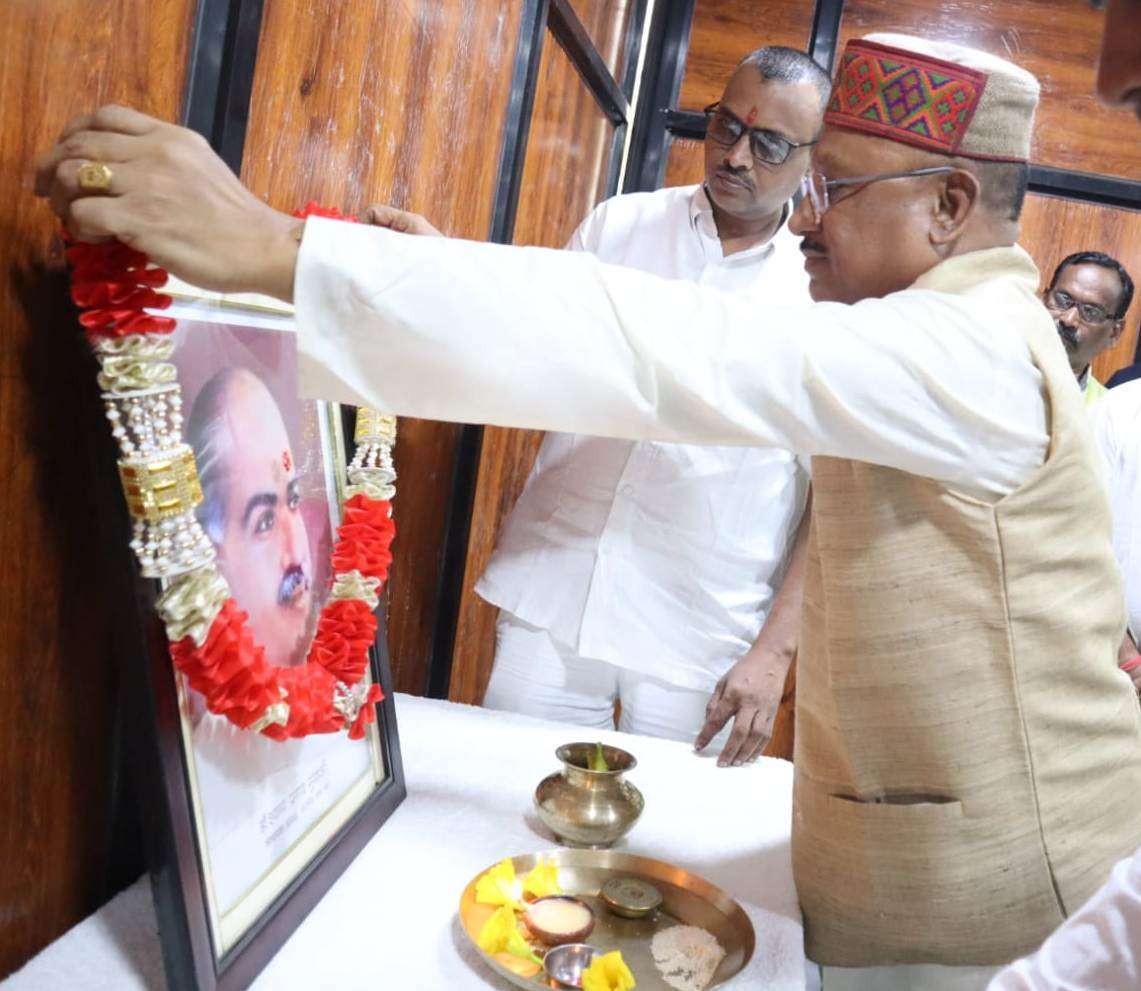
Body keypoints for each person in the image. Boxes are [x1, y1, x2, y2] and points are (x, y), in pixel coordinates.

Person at [34, 31, 1141, 991]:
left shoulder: (977, 346)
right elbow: (616, 318)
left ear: (949, 205)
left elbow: (675, 348)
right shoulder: (919, 320)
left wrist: (288, 253)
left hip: (997, 894)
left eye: (833, 187)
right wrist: (425, 274)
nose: (805, 218)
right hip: (910, 854)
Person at [464, 47, 826, 764]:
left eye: (769, 144)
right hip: (557, 589)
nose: (734, 155)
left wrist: (775, 652)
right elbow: (522, 339)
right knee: (509, 801)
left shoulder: (820, 290)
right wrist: (440, 273)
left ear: (812, 161)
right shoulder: (618, 228)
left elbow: (836, 502)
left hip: (705, 628)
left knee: (674, 851)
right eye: (724, 127)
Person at [187, 366, 316, 668]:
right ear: (213, 557)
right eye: (265, 522)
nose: (296, 553)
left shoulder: (337, 673)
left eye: (294, 500)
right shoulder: (207, 709)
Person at [1041, 251, 1134, 404]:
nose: (1068, 319)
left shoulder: (1107, 412)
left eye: (1090, 311)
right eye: (1063, 300)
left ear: (1114, 333)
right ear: (1044, 299)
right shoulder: (995, 362)